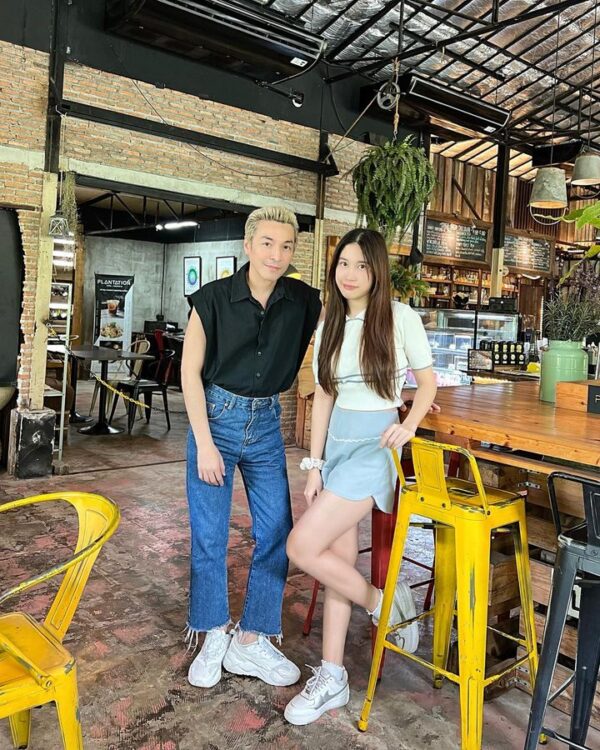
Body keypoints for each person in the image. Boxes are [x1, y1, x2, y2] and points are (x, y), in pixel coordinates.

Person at [283, 228, 437, 726]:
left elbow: (427, 382)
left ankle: (382, 603)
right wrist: (315, 465)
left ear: (377, 271)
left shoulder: (399, 317)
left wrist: (408, 426)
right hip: (338, 448)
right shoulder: (330, 321)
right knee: (336, 563)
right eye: (343, 264)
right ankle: (333, 677)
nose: (349, 274)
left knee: (301, 546)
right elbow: (325, 395)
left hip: (375, 446)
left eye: (361, 266)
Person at [181, 206, 321, 690]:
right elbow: (189, 374)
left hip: (266, 425)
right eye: (266, 243)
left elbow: (355, 323)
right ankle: (213, 631)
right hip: (215, 419)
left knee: (276, 531)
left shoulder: (304, 301)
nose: (276, 255)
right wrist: (204, 443)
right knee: (209, 534)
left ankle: (252, 638)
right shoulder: (212, 298)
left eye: (286, 246)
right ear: (247, 245)